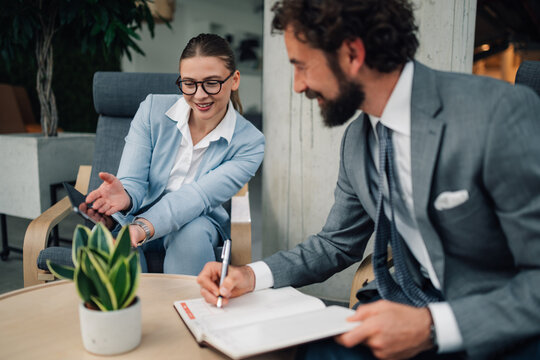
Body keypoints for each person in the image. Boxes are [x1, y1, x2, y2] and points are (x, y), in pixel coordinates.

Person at [196, 1, 540, 359]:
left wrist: (432, 326)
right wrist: (251, 275)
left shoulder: (497, 113)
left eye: (301, 66)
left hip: (493, 325)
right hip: (403, 303)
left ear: (352, 53)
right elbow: (335, 243)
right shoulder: (358, 141)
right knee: (308, 353)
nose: (298, 86)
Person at [82, 33, 265, 275]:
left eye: (212, 82)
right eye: (189, 83)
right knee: (113, 247)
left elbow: (197, 197)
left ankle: (188, 311)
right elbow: (134, 181)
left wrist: (142, 228)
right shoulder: (151, 110)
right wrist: (125, 196)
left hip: (195, 220)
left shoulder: (250, 143)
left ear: (234, 80)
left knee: (191, 235)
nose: (199, 95)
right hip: (136, 215)